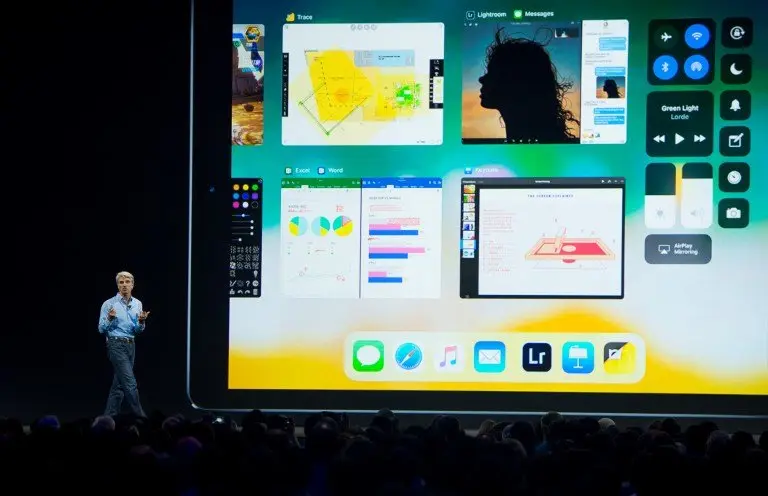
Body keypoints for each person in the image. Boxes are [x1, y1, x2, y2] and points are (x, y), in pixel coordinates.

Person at [98, 271, 149, 417]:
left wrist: (141, 321)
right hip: (115, 345)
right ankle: (141, 417)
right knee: (130, 382)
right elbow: (101, 329)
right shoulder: (109, 304)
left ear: (132, 285)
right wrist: (109, 318)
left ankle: (108, 418)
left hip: (131, 345)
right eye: (121, 282)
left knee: (119, 385)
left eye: (127, 282)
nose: (124, 285)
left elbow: (137, 330)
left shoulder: (137, 304)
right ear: (118, 285)